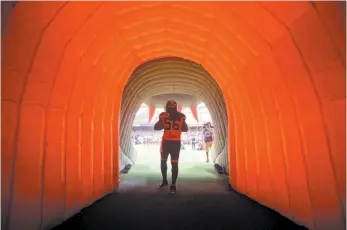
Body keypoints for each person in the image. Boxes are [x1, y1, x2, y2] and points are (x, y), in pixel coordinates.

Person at [154, 100, 188, 194]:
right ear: (176, 107)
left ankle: (165, 181)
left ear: (167, 107)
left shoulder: (163, 115)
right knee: (175, 163)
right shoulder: (181, 116)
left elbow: (156, 127)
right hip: (176, 143)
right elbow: (185, 129)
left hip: (166, 142)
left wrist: (163, 121)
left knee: (163, 161)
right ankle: (173, 185)